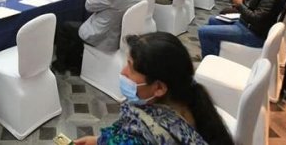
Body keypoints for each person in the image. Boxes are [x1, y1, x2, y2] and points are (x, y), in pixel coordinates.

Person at [74, 33, 234, 145]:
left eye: (130, 67)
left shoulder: (145, 135)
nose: (123, 72)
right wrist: (98, 141)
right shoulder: (189, 104)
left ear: (158, 87)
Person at [53, 0, 143, 74]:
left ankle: (61, 64)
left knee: (65, 27)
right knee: (76, 28)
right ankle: (74, 60)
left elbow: (89, 6)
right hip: (120, 33)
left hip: (104, 35)